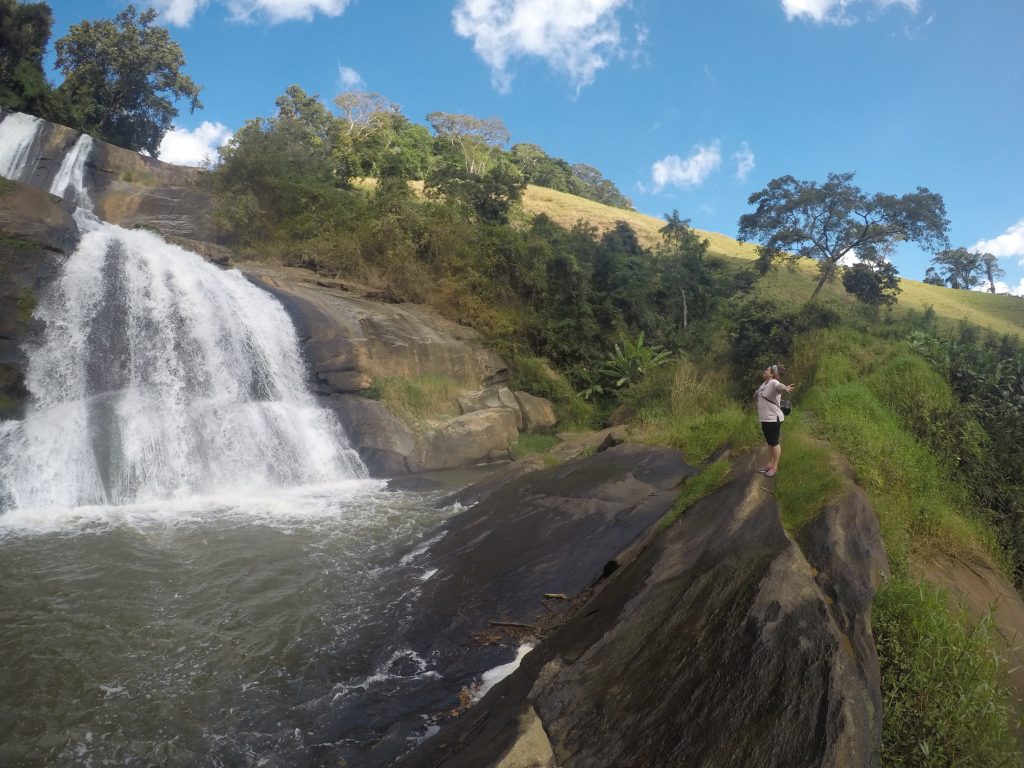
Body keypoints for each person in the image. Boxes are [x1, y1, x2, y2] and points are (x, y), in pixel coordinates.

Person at [755, 363, 796, 478]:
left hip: (773, 418)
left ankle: (774, 467)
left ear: (773, 374)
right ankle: (769, 464)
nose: (765, 371)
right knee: (770, 443)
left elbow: (779, 387)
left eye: (767, 370)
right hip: (765, 418)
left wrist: (785, 388)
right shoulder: (764, 384)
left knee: (774, 443)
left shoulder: (774, 382)